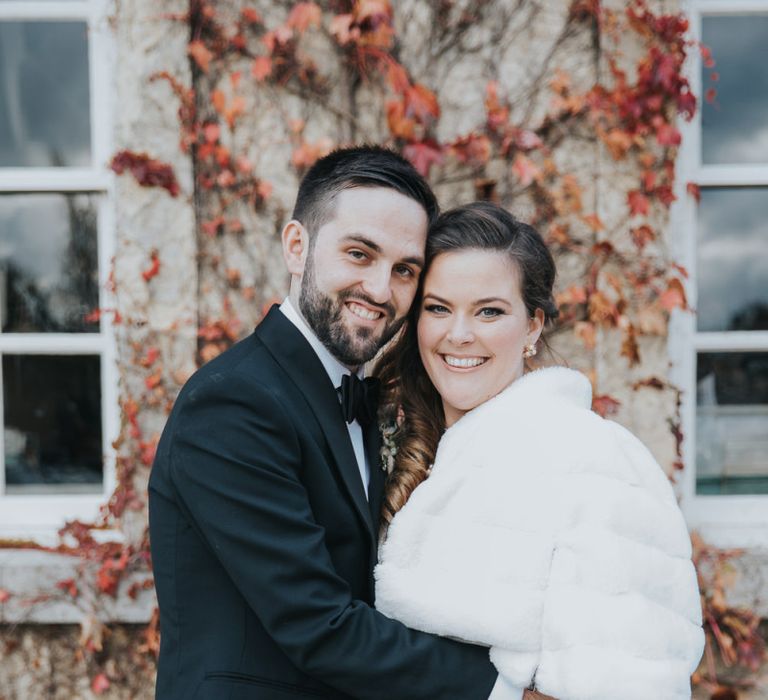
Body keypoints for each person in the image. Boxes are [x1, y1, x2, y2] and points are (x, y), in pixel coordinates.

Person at [149, 147, 530, 699]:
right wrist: (505, 690)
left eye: (404, 270)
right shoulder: (233, 403)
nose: (379, 291)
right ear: (297, 247)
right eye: (359, 254)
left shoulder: (366, 402)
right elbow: (318, 624)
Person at [373, 202, 705, 700]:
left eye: (489, 311)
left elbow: (633, 679)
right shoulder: (409, 452)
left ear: (533, 326)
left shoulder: (594, 460)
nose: (458, 334)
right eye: (438, 308)